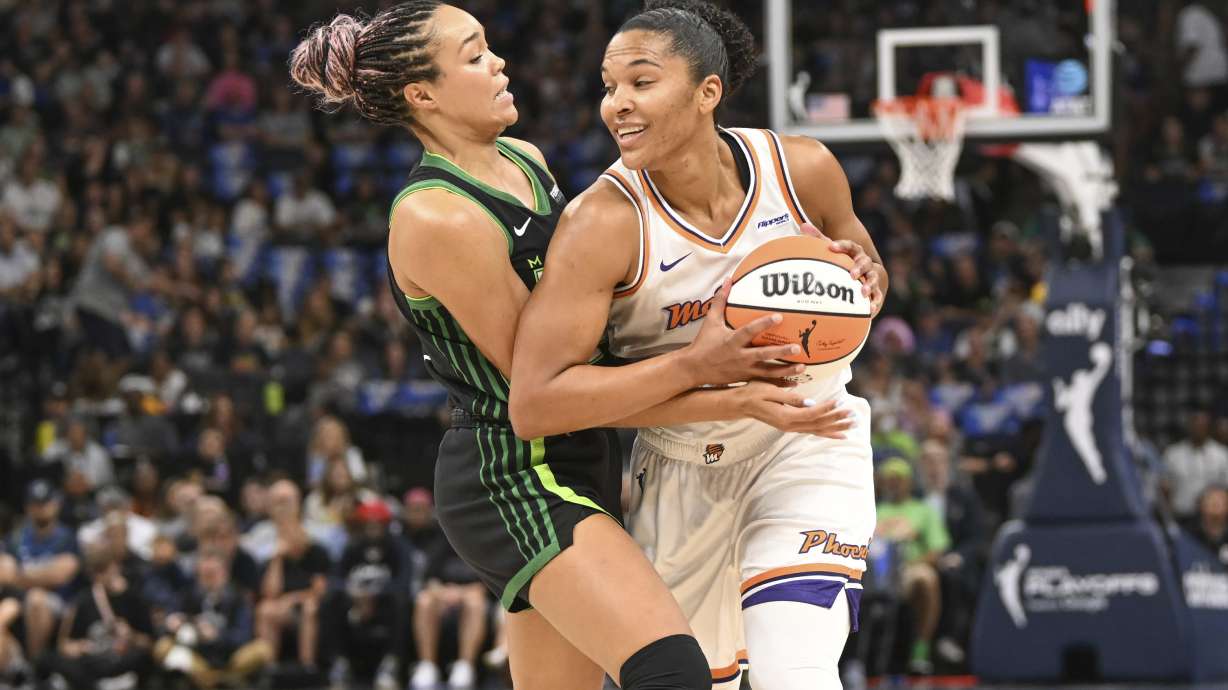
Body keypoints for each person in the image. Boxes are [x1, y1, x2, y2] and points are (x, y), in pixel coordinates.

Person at [289, 4, 821, 688]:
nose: (499, 63)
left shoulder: (523, 159)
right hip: (515, 473)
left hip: (583, 457)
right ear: (423, 94)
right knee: (673, 670)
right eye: (475, 55)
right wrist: (720, 383)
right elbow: (549, 398)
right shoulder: (438, 216)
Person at [509, 2, 887, 687]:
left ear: (708, 91)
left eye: (641, 82)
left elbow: (861, 262)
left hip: (808, 436)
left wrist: (869, 274)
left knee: (793, 665)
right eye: (608, 85)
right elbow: (536, 404)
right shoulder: (601, 224)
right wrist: (700, 366)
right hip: (685, 466)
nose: (616, 105)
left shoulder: (801, 169)